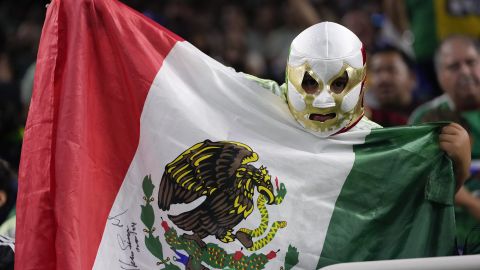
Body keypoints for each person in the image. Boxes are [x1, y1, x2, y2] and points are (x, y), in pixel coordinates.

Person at [247, 21, 470, 187]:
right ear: (288, 79)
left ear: (362, 83)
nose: (323, 101)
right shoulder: (262, 107)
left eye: (339, 84)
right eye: (309, 83)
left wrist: (460, 167)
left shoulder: (394, 140)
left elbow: (421, 204)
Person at [409, 35, 480, 253]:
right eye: (454, 66)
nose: (465, 72)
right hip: (455, 233)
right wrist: (473, 205)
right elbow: (424, 181)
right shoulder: (427, 117)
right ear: (440, 76)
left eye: (471, 62)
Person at [366, 45, 418, 127]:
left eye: (391, 69)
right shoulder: (365, 123)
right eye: (376, 71)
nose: (383, 78)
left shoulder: (428, 116)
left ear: (412, 78)